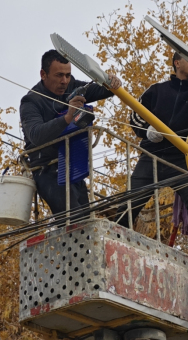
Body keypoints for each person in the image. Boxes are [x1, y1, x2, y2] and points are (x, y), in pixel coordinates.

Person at [117, 53, 188, 263]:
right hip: (151, 155)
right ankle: (113, 240)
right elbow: (135, 115)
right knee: (130, 201)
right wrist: (146, 130)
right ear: (177, 63)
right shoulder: (157, 90)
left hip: (182, 158)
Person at [20, 49, 121, 216]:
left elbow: (99, 90)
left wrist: (110, 81)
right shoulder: (31, 101)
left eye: (68, 75)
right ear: (43, 74)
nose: (64, 81)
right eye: (59, 75)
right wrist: (67, 117)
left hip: (73, 166)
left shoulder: (72, 86)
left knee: (87, 220)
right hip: (48, 170)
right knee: (73, 221)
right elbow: (36, 134)